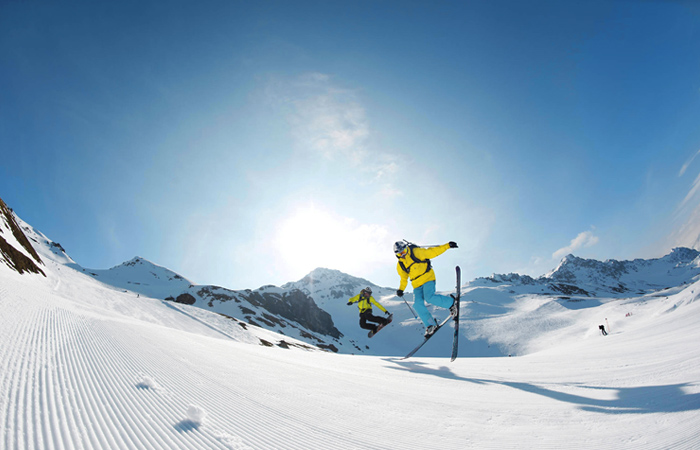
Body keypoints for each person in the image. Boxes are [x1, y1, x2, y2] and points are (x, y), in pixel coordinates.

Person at [394, 240, 458, 337]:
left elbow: (432, 252)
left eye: (403, 251)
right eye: (400, 253)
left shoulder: (416, 252)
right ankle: (431, 324)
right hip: (416, 285)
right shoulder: (400, 265)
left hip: (427, 278)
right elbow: (404, 278)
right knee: (417, 305)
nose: (402, 254)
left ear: (406, 248)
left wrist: (447, 246)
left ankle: (452, 303)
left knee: (429, 297)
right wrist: (401, 289)